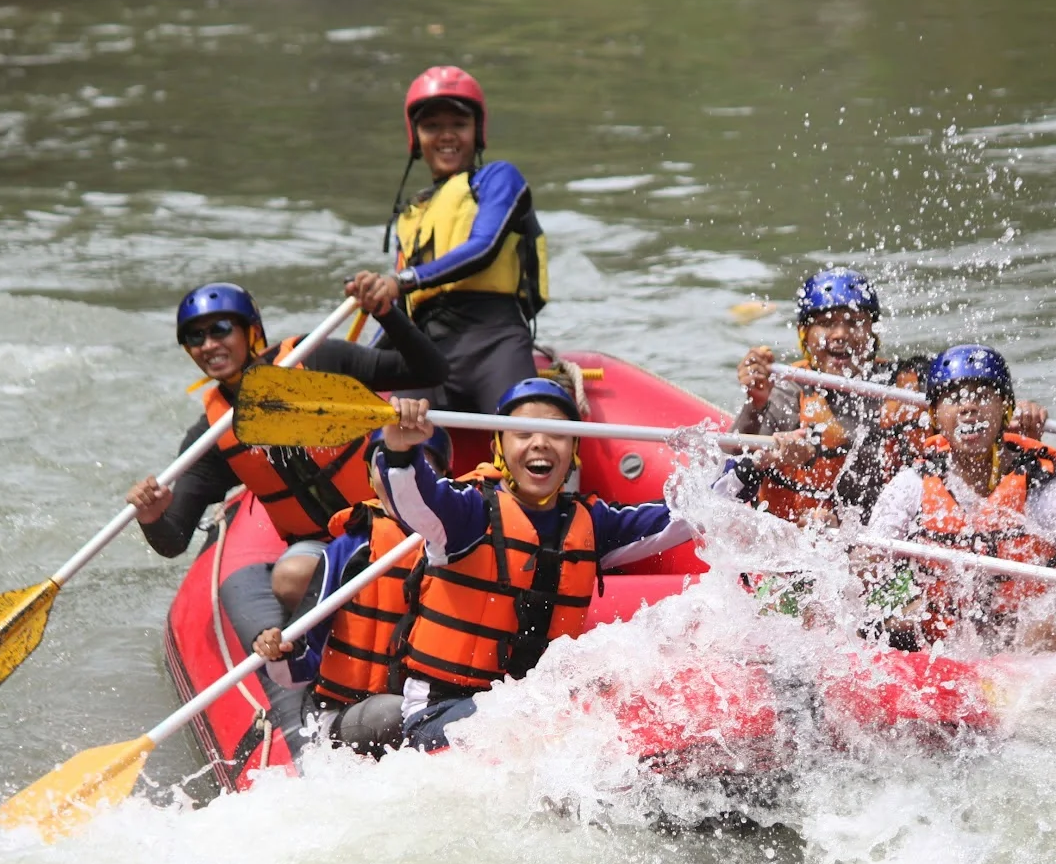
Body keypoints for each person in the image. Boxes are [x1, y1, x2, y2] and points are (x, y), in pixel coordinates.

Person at [125, 282, 448, 743]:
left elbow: (430, 368)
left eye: (220, 329)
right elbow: (175, 539)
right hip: (332, 548)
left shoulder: (316, 360)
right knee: (290, 575)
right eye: (195, 338)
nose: (209, 345)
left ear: (251, 330)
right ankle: (332, 681)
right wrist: (153, 514)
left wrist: (387, 313)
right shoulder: (213, 434)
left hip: (401, 519)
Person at [375, 377, 695, 751]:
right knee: (546, 726)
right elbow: (414, 498)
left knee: (585, 722)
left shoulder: (592, 523)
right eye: (523, 432)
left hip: (533, 712)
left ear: (574, 450)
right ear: (498, 446)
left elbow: (682, 517)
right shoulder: (466, 516)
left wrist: (752, 468)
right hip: (439, 714)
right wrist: (398, 451)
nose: (540, 442)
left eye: (556, 433)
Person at [862, 344, 1056, 651]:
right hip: (950, 638)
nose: (968, 407)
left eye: (982, 396)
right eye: (954, 398)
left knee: (1049, 626)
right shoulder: (909, 486)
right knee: (892, 624)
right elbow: (867, 563)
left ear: (1006, 408)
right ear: (935, 417)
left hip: (1034, 644)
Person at [721, 267, 1048, 526]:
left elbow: (972, 432)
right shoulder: (787, 389)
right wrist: (756, 404)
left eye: (853, 322)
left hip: (894, 536)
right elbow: (732, 463)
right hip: (809, 542)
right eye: (825, 324)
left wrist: (1012, 423)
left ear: (872, 331)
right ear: (805, 335)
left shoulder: (911, 385)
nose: (840, 335)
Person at [345, 65, 548, 416]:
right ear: (416, 137)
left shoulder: (499, 178)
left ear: (477, 131)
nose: (446, 136)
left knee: (530, 436)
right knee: (394, 448)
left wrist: (400, 281)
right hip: (425, 354)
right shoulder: (411, 216)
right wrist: (377, 311)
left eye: (459, 124)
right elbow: (404, 313)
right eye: (432, 126)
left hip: (494, 341)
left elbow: (483, 247)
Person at [251, 430, 453, 757]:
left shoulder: (460, 547)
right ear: (371, 479)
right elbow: (301, 664)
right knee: (392, 713)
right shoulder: (350, 551)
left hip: (429, 709)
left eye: (417, 467)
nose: (400, 478)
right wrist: (279, 651)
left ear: (440, 479)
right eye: (388, 466)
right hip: (347, 715)